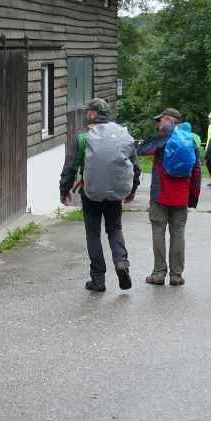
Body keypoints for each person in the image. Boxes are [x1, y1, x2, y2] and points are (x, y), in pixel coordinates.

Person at [59, 97, 140, 292]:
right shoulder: (121, 134)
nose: (87, 113)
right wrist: (132, 190)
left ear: (94, 114)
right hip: (115, 192)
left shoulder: (84, 137)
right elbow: (134, 166)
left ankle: (98, 279)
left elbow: (70, 166)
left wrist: (64, 190)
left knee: (93, 233)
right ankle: (121, 262)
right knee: (114, 229)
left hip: (91, 192)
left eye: (89, 111)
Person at [140, 107, 201, 286]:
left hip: (160, 194)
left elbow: (141, 150)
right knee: (178, 234)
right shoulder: (191, 139)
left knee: (158, 231)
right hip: (181, 196)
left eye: (160, 120)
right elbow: (196, 170)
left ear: (168, 120)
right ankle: (176, 275)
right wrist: (193, 196)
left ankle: (159, 273)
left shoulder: (163, 137)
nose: (158, 124)